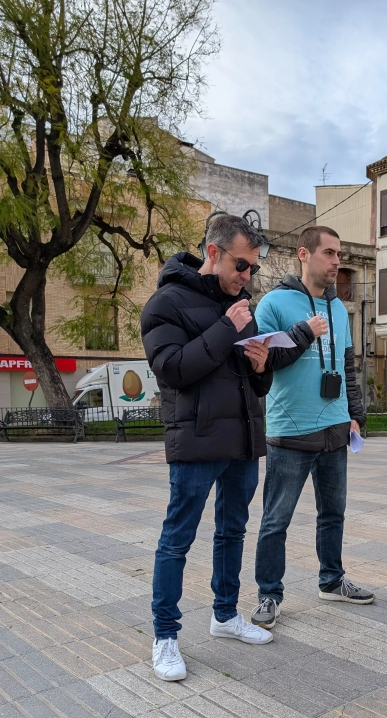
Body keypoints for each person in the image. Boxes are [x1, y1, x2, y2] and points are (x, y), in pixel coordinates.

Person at [141, 214, 275, 682]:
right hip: (197, 441)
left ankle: (225, 615)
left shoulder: (240, 306)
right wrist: (224, 328)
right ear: (213, 253)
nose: (247, 276)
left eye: (253, 268)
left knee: (232, 532)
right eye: (241, 265)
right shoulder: (165, 303)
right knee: (177, 539)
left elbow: (254, 386)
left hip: (242, 441)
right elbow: (173, 369)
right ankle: (165, 636)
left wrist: (261, 367)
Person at [249, 225, 374, 630]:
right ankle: (269, 594)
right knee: (276, 519)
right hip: (290, 431)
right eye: (329, 253)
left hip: (336, 429)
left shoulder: (338, 308)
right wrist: (305, 333)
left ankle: (332, 581)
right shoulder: (273, 303)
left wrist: (356, 414)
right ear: (304, 254)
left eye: (339, 254)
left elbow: (348, 368)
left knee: (333, 513)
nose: (337, 261)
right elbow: (264, 362)